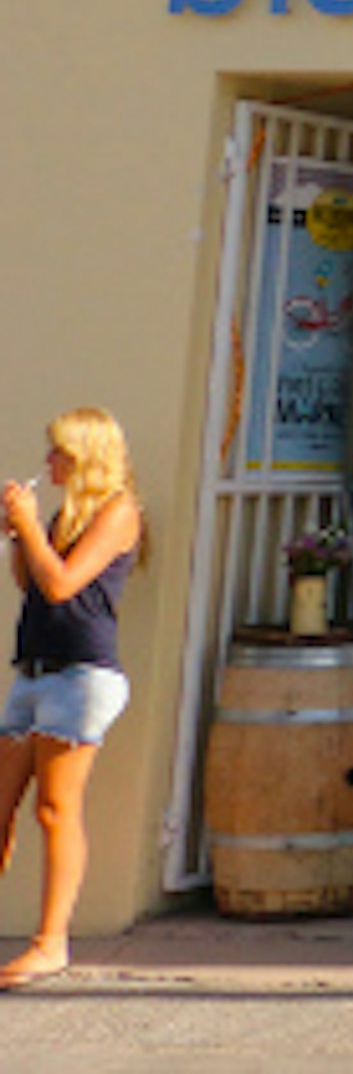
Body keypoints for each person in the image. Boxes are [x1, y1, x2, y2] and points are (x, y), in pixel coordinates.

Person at [0, 410, 143, 990]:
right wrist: (19, 533)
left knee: (54, 808)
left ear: (86, 455)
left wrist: (32, 527)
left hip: (82, 678)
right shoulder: (65, 514)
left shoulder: (120, 511)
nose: (49, 462)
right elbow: (30, 581)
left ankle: (50, 942)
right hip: (33, 671)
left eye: (59, 452)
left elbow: (63, 585)